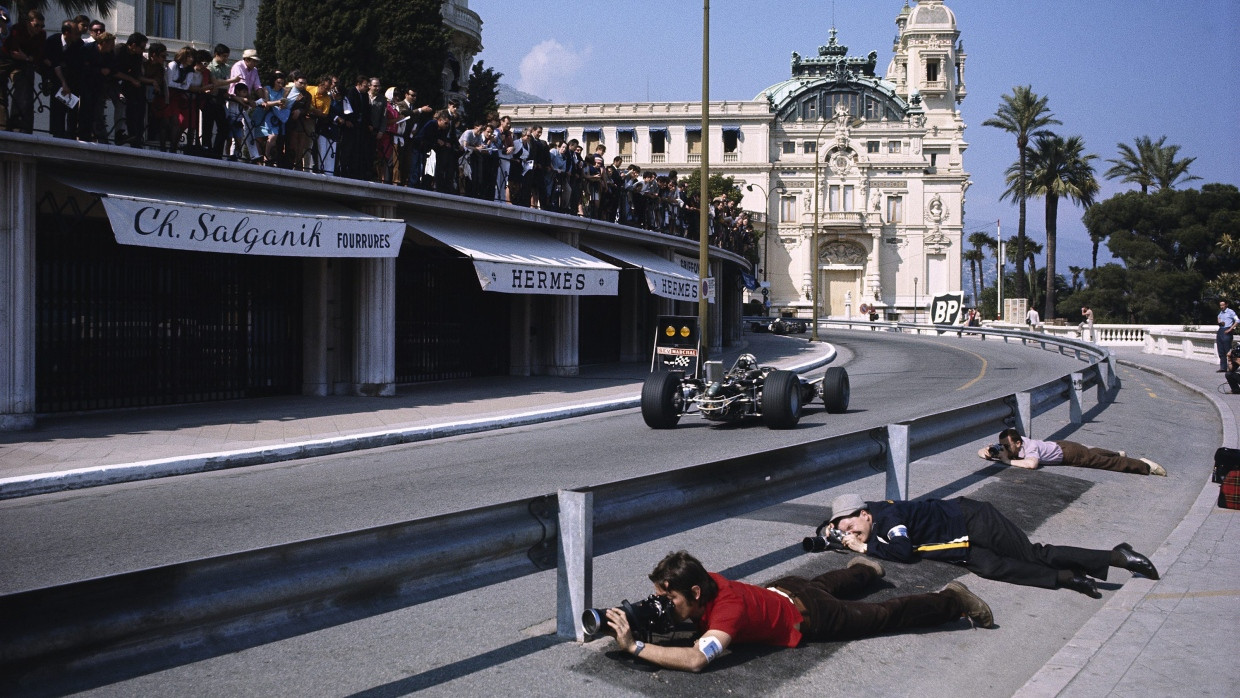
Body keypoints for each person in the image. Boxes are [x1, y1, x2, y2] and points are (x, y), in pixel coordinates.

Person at [601, 550, 993, 673]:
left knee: (883, 615)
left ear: (697, 591)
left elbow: (696, 660)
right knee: (828, 582)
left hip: (812, 615)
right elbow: (681, 602)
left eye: (669, 600)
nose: (664, 606)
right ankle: (865, 568)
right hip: (786, 588)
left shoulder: (728, 611)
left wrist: (636, 647)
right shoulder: (702, 581)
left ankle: (953, 599)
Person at [826, 493, 1160, 598]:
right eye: (845, 530)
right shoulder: (873, 523)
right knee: (992, 567)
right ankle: (1070, 578)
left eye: (852, 525)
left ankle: (1118, 556)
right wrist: (832, 534)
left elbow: (903, 555)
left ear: (865, 514)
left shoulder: (889, 518)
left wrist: (863, 550)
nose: (852, 532)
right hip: (959, 544)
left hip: (973, 519)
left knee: (1032, 554)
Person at [980, 428, 1166, 476]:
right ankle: (1117, 453)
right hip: (1059, 445)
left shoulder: (1031, 448)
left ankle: (1145, 466)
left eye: (1007, 445)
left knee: (1100, 462)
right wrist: (990, 451)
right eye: (1001, 445)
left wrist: (1006, 461)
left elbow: (1031, 465)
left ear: (1019, 443)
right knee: (1092, 452)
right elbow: (981, 452)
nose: (1004, 448)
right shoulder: (1012, 446)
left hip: (1069, 454)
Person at [1217, 299, 1238, 373]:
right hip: (1221, 330)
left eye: (1223, 305)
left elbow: (1237, 320)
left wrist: (1230, 329)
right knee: (1221, 350)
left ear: (1226, 304)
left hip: (1227, 330)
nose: (1221, 307)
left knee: (1228, 350)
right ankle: (1223, 367)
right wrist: (1219, 322)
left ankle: (1232, 367)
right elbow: (1219, 318)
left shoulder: (1230, 312)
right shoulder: (1221, 313)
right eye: (1220, 305)